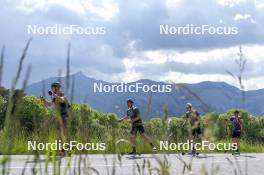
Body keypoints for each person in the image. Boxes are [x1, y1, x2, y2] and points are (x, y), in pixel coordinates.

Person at [41, 82, 70, 156]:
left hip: (64, 117)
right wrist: (44, 101)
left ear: (57, 88)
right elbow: (50, 106)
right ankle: (60, 151)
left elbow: (62, 100)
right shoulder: (55, 98)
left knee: (63, 134)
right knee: (58, 135)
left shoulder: (62, 95)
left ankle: (64, 150)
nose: (52, 89)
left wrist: (53, 94)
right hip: (59, 117)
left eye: (53, 88)